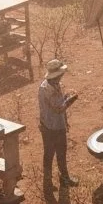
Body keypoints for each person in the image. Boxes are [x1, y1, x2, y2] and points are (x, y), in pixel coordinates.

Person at [38, 59, 78, 188]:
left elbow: (59, 105)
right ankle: (49, 182)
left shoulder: (52, 84)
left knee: (60, 152)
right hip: (51, 127)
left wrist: (65, 121)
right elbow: (58, 109)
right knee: (50, 154)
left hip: (54, 125)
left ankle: (61, 179)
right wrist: (71, 100)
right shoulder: (47, 89)